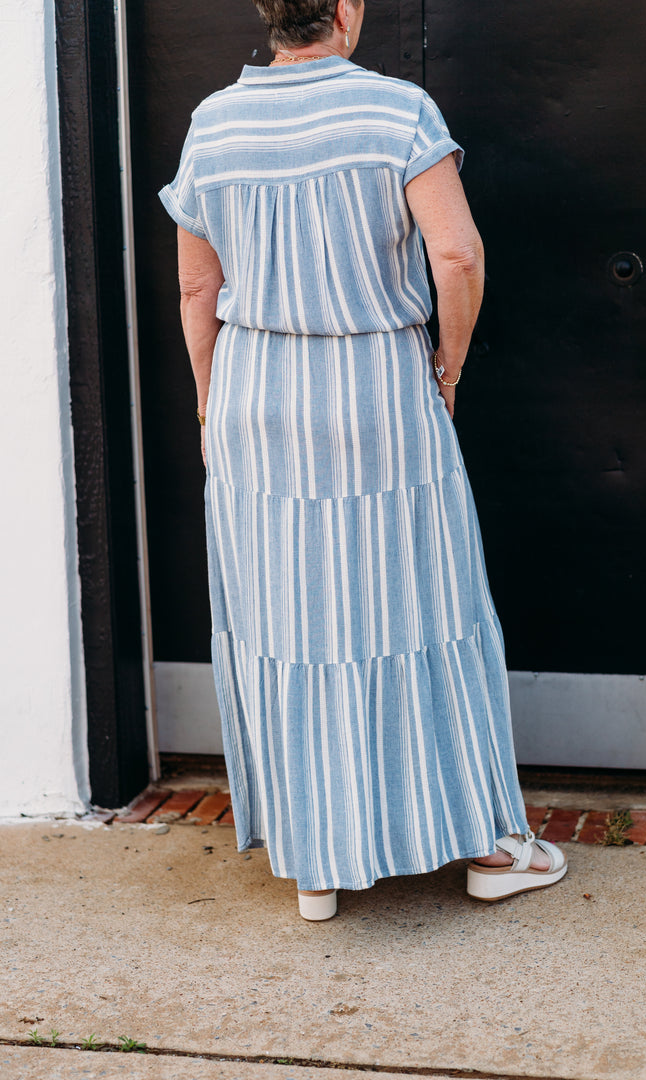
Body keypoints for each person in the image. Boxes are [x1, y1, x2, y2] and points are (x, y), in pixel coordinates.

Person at [159, 0, 567, 921]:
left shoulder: (214, 121)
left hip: (257, 393)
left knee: (292, 618)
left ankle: (318, 862)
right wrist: (449, 362)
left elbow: (196, 281)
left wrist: (208, 397)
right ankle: (493, 846)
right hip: (377, 388)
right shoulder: (396, 110)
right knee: (427, 600)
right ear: (344, 11)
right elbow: (455, 253)